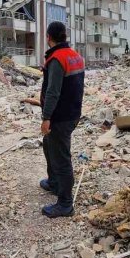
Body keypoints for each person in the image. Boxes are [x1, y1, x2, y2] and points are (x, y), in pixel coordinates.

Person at [38, 21, 85, 218]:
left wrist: (46, 117)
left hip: (60, 116)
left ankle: (65, 203)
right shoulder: (75, 56)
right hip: (72, 112)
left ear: (49, 37)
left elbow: (53, 92)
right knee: (48, 144)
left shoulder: (57, 59)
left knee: (61, 157)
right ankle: (54, 182)